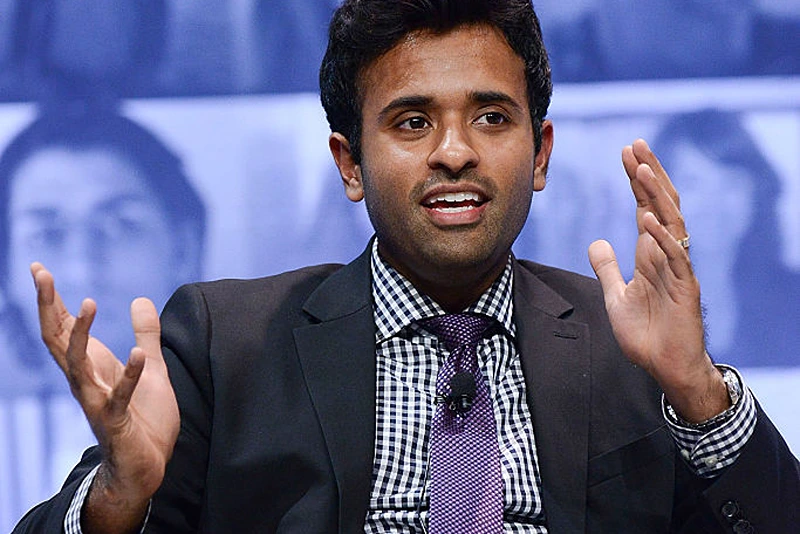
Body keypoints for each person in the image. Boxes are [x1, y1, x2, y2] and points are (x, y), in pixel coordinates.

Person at [14, 1, 800, 532]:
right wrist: (120, 500)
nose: (454, 152)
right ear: (350, 164)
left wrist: (699, 394)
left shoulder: (632, 341)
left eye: (492, 117)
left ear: (541, 154)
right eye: (412, 121)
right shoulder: (226, 342)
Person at [0, 103, 205, 531]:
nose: (82, 267)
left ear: (184, 246)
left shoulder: (249, 401)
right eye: (47, 233)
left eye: (120, 225)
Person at [653, 109, 800, 367]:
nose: (714, 204)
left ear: (757, 195)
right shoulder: (633, 299)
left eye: (731, 183)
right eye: (693, 183)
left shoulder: (792, 296)